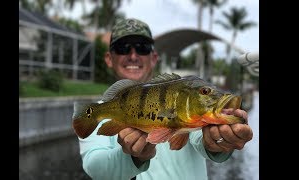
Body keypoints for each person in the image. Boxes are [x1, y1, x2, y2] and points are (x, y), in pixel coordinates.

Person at [76, 18, 253, 180]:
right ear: (109, 58)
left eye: (142, 48)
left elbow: (201, 139)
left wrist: (218, 141)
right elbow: (95, 167)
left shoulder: (194, 120)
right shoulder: (97, 111)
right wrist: (132, 157)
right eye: (123, 48)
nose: (133, 55)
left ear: (154, 58)